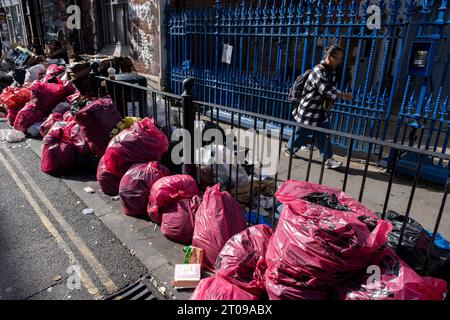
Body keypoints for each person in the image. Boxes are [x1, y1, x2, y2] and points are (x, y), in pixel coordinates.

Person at [284, 45, 353, 169]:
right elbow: (325, 89)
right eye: (338, 59)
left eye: (340, 59)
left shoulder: (330, 71)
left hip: (320, 111)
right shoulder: (318, 70)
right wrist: (343, 95)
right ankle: (289, 148)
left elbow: (329, 90)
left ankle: (328, 159)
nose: (339, 62)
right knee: (301, 133)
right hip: (309, 110)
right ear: (329, 57)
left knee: (324, 134)